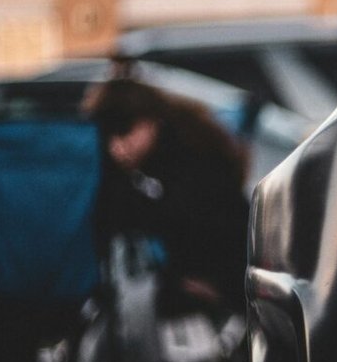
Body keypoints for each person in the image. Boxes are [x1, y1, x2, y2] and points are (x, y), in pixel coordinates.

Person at [85, 76, 251, 318]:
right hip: (217, 284)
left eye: (124, 130)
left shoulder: (190, 161)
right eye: (107, 136)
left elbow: (204, 226)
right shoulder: (171, 154)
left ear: (150, 122)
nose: (116, 147)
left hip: (224, 288)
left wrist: (216, 288)